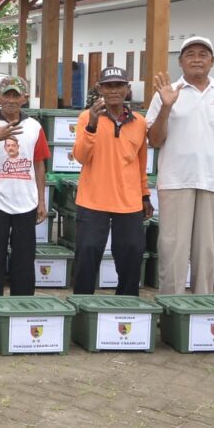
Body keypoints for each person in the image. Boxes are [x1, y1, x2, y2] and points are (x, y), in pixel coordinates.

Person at [147, 36, 214, 295]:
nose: (197, 59)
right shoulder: (166, 93)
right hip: (175, 181)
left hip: (212, 183)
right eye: (190, 54)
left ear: (213, 61)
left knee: (205, 252)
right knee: (173, 251)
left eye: (203, 54)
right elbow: (155, 140)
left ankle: (201, 307)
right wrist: (166, 107)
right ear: (180, 62)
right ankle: (171, 308)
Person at [71, 68, 153, 296]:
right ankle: (82, 305)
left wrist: (144, 194)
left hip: (129, 201)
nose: (114, 90)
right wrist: (92, 125)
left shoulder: (140, 122)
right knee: (87, 254)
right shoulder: (86, 117)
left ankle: (126, 305)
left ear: (127, 89)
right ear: (100, 89)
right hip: (92, 199)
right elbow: (80, 156)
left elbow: (141, 162)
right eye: (108, 86)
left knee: (132, 255)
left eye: (119, 85)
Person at [0, 76, 49, 297]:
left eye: (16, 95)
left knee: (24, 259)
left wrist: (41, 201)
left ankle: (21, 305)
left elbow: (39, 163)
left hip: (26, 203)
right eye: (7, 95)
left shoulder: (34, 127)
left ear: (25, 98)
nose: (11, 100)